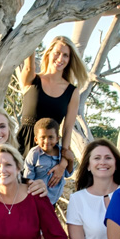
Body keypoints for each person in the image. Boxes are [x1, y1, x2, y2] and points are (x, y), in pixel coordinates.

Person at [16, 36, 87, 183]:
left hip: (50, 155)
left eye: (65, 55)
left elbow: (67, 128)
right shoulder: (32, 79)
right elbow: (29, 66)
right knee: (17, 200)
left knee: (44, 202)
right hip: (22, 147)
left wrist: (63, 163)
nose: (60, 58)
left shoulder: (72, 92)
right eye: (57, 53)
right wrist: (34, 34)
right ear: (48, 53)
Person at [23, 118, 71, 206]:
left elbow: (68, 173)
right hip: (37, 198)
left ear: (57, 139)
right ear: (36, 139)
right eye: (43, 137)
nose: (47, 141)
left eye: (51, 137)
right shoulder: (34, 154)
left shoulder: (62, 153)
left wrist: (71, 159)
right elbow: (28, 178)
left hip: (53, 199)